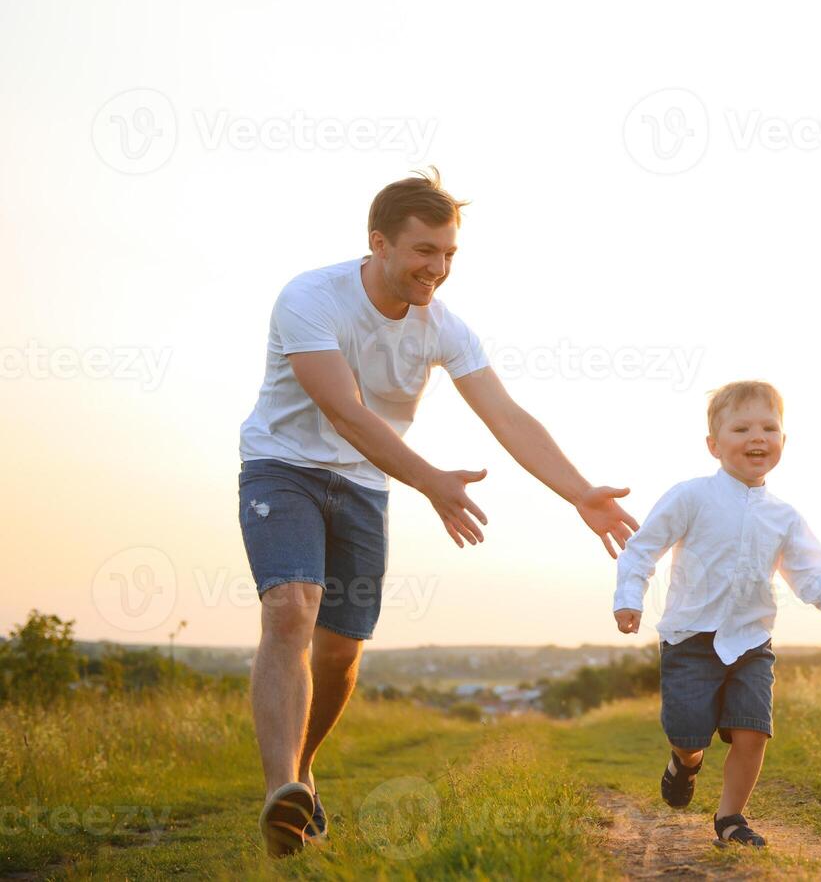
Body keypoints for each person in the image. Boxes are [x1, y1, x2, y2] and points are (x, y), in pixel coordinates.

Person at [238, 168, 639, 857]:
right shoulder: (310, 297)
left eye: (449, 254)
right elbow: (344, 411)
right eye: (425, 251)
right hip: (284, 468)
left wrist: (578, 492)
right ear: (380, 243)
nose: (438, 268)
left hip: (367, 485)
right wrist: (429, 481)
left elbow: (506, 415)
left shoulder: (444, 328)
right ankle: (281, 793)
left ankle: (304, 771)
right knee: (290, 609)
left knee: (339, 653)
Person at [612, 380, 821, 848]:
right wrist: (629, 597)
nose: (758, 437)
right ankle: (685, 762)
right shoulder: (691, 497)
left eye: (770, 428)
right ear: (714, 444)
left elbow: (811, 571)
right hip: (691, 640)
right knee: (689, 735)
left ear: (783, 443)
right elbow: (642, 548)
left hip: (751, 642)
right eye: (742, 427)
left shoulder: (784, 516)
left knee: (753, 733)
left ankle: (731, 818)